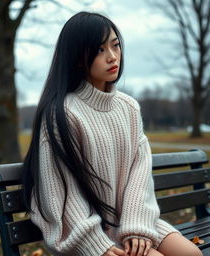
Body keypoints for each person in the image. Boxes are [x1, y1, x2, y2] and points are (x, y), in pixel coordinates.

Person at [22, 11, 202, 256]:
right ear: (77, 58)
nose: (112, 56)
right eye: (99, 50)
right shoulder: (61, 113)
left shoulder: (128, 107)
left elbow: (139, 173)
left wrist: (136, 226)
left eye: (115, 46)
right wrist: (96, 244)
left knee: (192, 254)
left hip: (132, 220)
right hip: (88, 234)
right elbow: (61, 192)